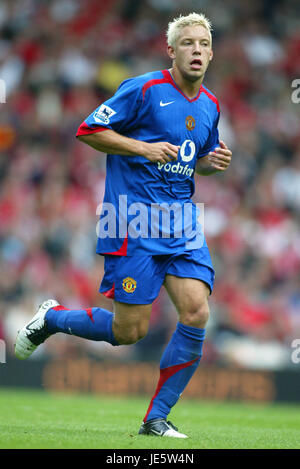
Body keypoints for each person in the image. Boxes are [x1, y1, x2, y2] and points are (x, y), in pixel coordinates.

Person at [15, 12, 232, 439]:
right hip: (131, 220)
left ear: (211, 53)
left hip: (182, 223)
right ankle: (53, 319)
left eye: (204, 44)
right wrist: (142, 148)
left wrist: (209, 164)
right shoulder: (144, 89)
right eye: (187, 43)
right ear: (171, 50)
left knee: (197, 310)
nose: (197, 51)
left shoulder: (211, 105)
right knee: (128, 332)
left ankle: (157, 418)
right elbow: (88, 129)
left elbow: (192, 162)